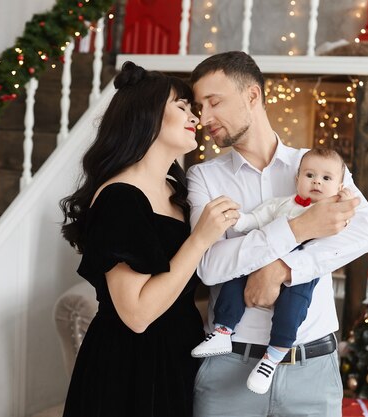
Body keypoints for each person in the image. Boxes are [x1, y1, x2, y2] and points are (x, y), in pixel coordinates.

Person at [187, 51, 368, 416]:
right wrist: (300, 227)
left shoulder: (319, 167)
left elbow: (363, 234)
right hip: (228, 366)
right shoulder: (203, 178)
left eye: (214, 102)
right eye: (199, 106)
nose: (204, 118)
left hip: (312, 369)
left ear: (252, 96)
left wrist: (283, 269)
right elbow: (210, 266)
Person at [59, 61, 240, 417]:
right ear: (149, 115)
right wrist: (199, 238)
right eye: (182, 107)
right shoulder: (120, 196)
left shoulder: (178, 189)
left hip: (180, 353)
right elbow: (137, 315)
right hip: (130, 367)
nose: (196, 118)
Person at [190, 148, 354, 394]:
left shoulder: (335, 211)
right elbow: (256, 218)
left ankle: (273, 356)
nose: (317, 181)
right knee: (234, 283)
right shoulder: (282, 204)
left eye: (326, 179)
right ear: (297, 178)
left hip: (301, 268)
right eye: (310, 175)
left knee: (294, 307)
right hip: (261, 253)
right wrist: (239, 220)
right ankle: (223, 329)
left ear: (340, 187)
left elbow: (353, 237)